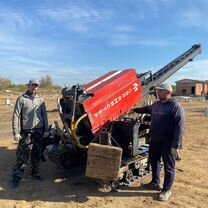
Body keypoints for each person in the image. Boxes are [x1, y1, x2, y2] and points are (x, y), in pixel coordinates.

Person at [133, 83, 185, 201]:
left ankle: (167, 190)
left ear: (168, 92)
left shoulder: (175, 107)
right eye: (158, 91)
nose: (158, 93)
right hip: (155, 140)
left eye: (160, 91)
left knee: (169, 167)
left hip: (168, 142)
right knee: (154, 161)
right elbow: (146, 109)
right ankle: (155, 182)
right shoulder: (156, 105)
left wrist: (176, 146)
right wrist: (133, 109)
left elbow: (180, 128)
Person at [10, 79, 49, 188]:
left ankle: (34, 173)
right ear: (28, 85)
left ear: (38, 87)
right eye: (32, 85)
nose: (34, 87)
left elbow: (44, 115)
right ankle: (16, 178)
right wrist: (16, 132)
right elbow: (16, 116)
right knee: (23, 155)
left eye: (36, 86)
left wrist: (46, 130)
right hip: (26, 132)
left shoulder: (41, 100)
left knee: (37, 153)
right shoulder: (21, 99)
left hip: (39, 131)